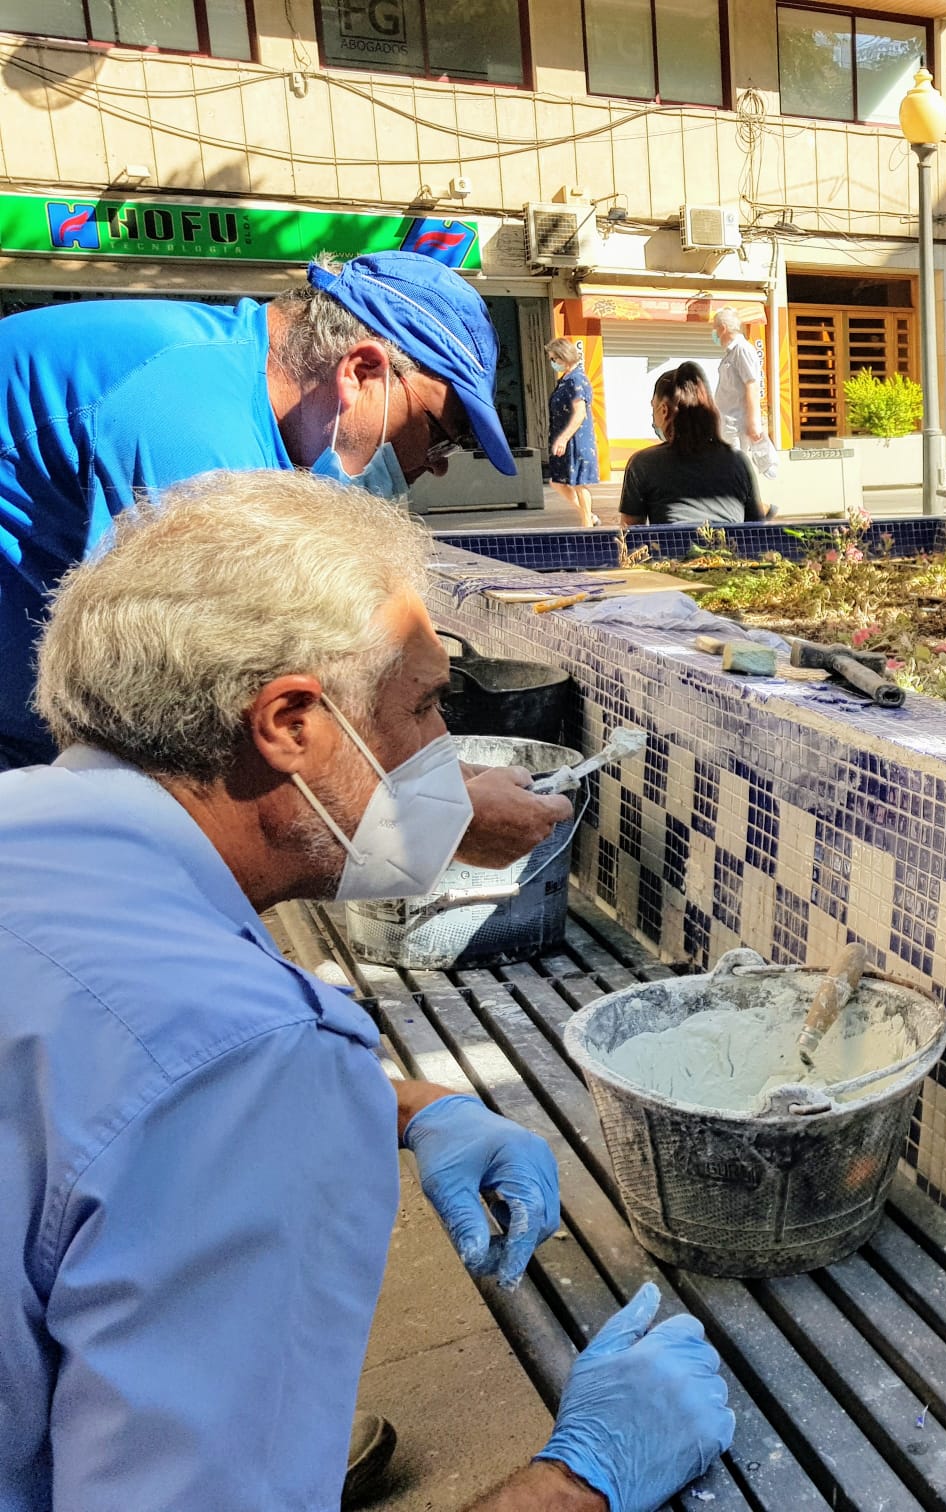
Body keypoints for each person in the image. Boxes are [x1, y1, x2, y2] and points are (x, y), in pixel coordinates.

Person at [0, 470, 736, 1512]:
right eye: (428, 704)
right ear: (291, 723)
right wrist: (582, 1479)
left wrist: (415, 1104)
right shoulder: (247, 1062)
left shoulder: (26, 823)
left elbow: (95, 1084)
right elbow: (194, 1066)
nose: (446, 754)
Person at [0, 250, 567, 868]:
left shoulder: (241, 393)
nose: (435, 466)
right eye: (444, 432)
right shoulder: (194, 423)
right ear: (362, 371)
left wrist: (433, 770)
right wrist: (439, 817)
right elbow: (203, 707)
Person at [619, 364, 769, 526]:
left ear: (663, 410)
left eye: (653, 408)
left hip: (670, 551)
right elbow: (757, 530)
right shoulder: (738, 461)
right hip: (729, 550)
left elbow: (631, 535)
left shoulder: (642, 464)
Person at [546, 338, 601, 527]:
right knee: (557, 482)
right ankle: (589, 516)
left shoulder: (577, 380)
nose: (553, 363)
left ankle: (587, 523)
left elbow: (579, 414)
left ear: (564, 357)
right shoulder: (566, 379)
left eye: (554, 359)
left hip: (576, 440)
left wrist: (563, 438)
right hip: (566, 439)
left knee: (579, 483)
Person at [710, 307, 769, 461]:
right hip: (727, 424)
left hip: (736, 425)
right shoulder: (731, 352)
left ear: (723, 328)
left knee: (735, 469)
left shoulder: (742, 350)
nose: (714, 334)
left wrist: (753, 422)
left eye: (715, 329)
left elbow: (752, 385)